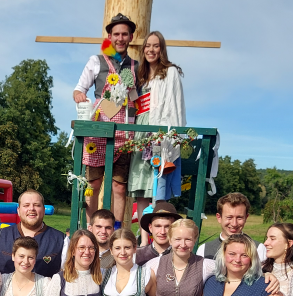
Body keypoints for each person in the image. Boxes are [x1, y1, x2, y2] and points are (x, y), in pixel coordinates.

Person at [73, 14, 139, 226]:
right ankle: (92, 227)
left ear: (130, 37)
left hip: (125, 132)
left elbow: (141, 97)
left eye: (124, 34)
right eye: (116, 34)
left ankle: (117, 229)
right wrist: (80, 97)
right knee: (93, 183)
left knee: (119, 186)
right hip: (99, 129)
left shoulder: (137, 66)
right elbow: (78, 90)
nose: (120, 38)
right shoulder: (96, 61)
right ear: (109, 36)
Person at [129, 31, 187, 241]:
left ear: (161, 50)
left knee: (156, 182)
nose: (151, 50)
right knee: (141, 185)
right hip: (140, 129)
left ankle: (157, 238)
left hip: (158, 130)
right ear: (143, 49)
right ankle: (144, 239)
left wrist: (169, 137)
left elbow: (175, 106)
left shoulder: (169, 72)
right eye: (148, 46)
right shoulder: (141, 75)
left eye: (156, 46)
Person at [0, 190, 68, 278]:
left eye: (37, 205)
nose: (31, 209)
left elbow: (66, 276)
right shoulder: (0, 236)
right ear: (18, 210)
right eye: (26, 205)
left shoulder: (61, 240)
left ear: (44, 210)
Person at [196, 193, 267, 262]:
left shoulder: (258, 249)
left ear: (246, 218)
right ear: (219, 217)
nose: (234, 223)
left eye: (239, 218)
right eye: (229, 217)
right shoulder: (204, 250)